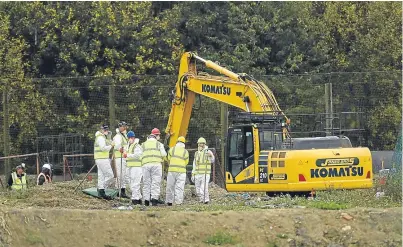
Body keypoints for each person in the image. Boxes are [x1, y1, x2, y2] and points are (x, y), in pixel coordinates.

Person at [141, 128, 167, 206]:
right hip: (156, 165)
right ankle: (154, 200)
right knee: (155, 183)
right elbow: (164, 154)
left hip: (145, 165)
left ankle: (146, 201)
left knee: (146, 183)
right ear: (156, 136)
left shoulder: (143, 144)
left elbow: (140, 155)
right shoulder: (159, 144)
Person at [165, 136, 189, 206]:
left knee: (170, 186)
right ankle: (178, 202)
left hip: (172, 170)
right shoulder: (185, 152)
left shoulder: (172, 149)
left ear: (177, 142)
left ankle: (169, 201)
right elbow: (186, 162)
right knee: (179, 187)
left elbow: (168, 159)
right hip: (181, 172)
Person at [94, 124, 115, 200]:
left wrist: (109, 138)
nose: (106, 131)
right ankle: (101, 188)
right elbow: (103, 148)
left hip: (99, 159)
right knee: (110, 175)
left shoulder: (101, 137)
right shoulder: (100, 138)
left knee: (101, 176)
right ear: (101, 130)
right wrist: (111, 146)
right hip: (102, 159)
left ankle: (101, 193)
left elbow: (107, 142)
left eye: (107, 130)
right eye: (105, 130)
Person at [191, 137, 215, 204]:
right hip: (197, 173)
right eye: (199, 143)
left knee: (204, 188)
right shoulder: (196, 153)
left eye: (202, 143)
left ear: (204, 144)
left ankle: (206, 200)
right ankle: (202, 199)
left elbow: (213, 160)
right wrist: (193, 174)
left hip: (205, 173)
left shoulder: (208, 151)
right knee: (198, 189)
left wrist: (211, 156)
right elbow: (194, 165)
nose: (200, 145)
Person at [124, 131, 143, 205]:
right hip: (130, 167)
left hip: (136, 167)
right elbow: (127, 156)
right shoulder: (129, 145)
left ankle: (135, 200)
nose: (130, 139)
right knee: (132, 183)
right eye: (129, 138)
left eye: (131, 138)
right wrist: (124, 153)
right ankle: (138, 198)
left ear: (133, 138)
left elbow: (137, 155)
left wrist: (127, 155)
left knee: (135, 184)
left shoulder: (137, 146)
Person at [113, 121, 129, 198]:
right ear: (120, 127)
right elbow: (117, 146)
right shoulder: (118, 136)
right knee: (119, 175)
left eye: (125, 126)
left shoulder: (124, 136)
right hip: (119, 158)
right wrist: (120, 148)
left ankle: (122, 191)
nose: (125, 127)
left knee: (123, 175)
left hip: (123, 157)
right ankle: (117, 191)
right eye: (124, 126)